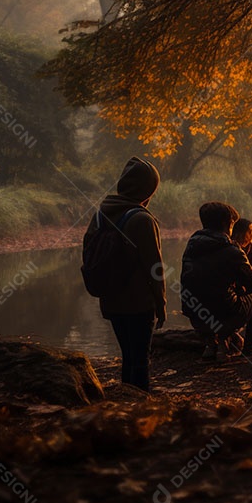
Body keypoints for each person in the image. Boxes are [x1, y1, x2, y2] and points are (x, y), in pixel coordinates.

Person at [84, 157, 166, 392]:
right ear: (147, 189)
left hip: (111, 300)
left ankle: (126, 401)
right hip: (139, 303)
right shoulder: (142, 219)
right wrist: (160, 303)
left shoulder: (100, 215)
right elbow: (155, 267)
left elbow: (89, 254)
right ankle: (139, 410)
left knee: (128, 355)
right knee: (140, 360)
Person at [180, 202, 252, 362]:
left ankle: (212, 344)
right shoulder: (232, 249)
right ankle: (251, 348)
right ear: (228, 224)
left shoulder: (192, 246)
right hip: (224, 315)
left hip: (196, 316)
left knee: (213, 295)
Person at [232, 218, 252, 355]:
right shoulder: (232, 250)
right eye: (250, 230)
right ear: (240, 233)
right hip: (235, 296)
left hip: (248, 292)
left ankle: (251, 343)